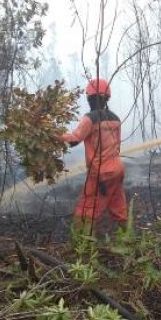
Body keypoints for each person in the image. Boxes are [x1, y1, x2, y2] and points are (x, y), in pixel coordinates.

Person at [59, 78, 127, 236]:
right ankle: (128, 239)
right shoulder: (116, 119)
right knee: (119, 207)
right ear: (106, 98)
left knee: (86, 210)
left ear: (90, 98)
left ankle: (82, 245)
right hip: (117, 169)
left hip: (100, 173)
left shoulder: (89, 118)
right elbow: (117, 145)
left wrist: (54, 135)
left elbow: (74, 139)